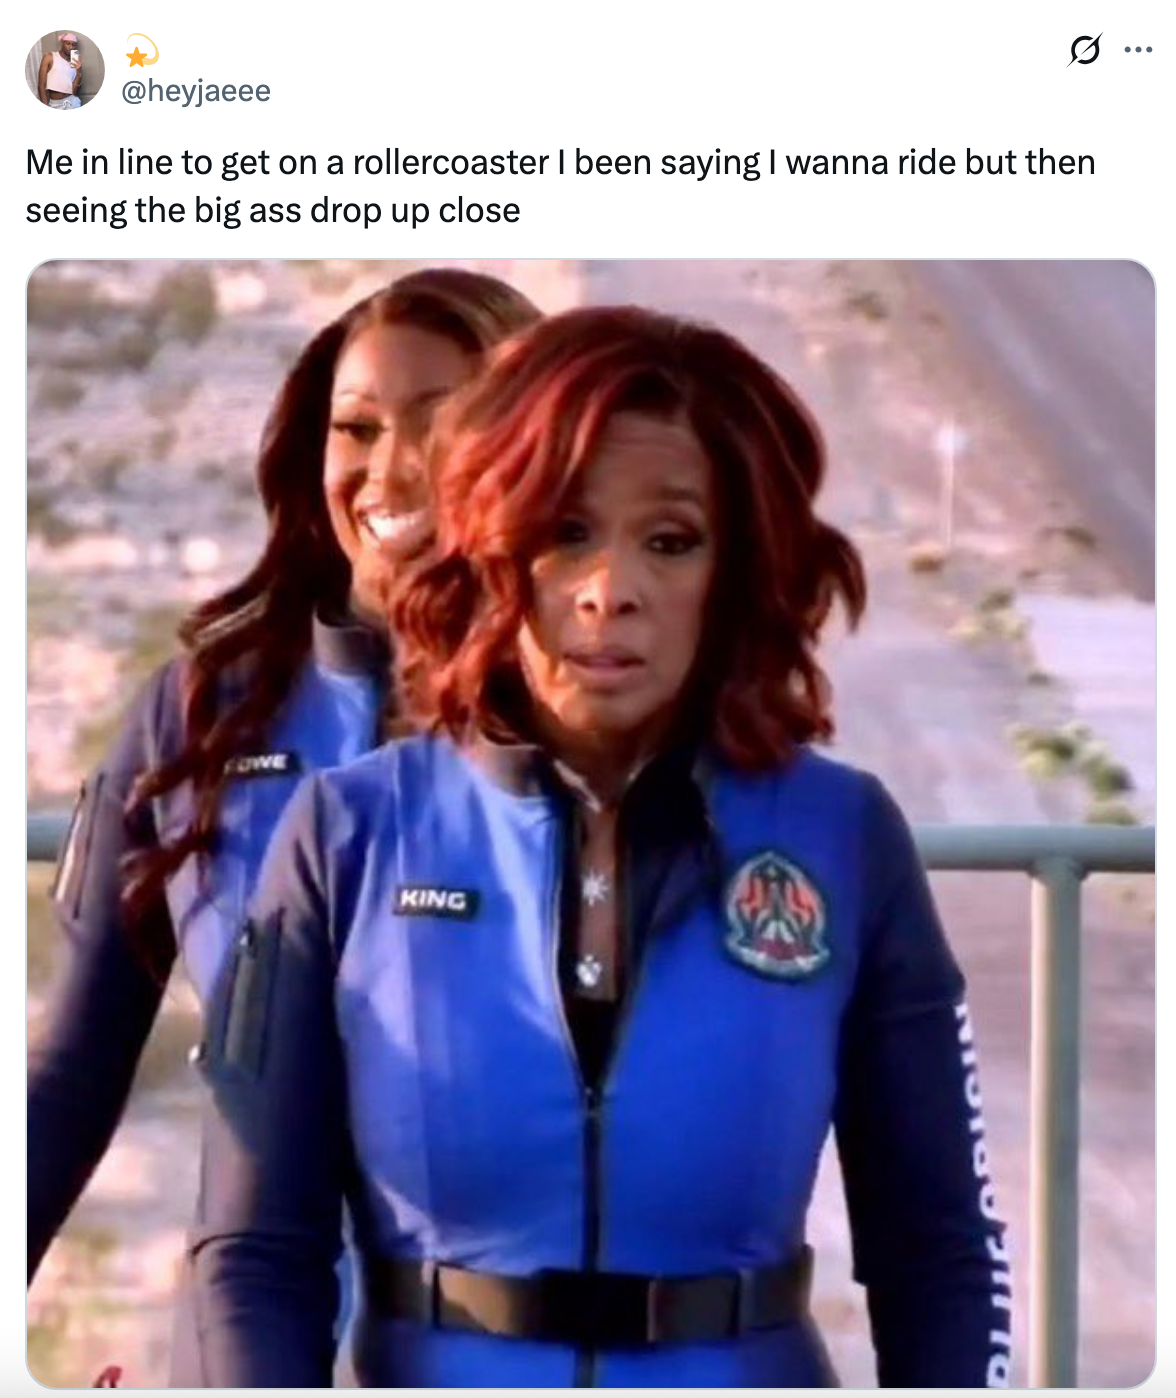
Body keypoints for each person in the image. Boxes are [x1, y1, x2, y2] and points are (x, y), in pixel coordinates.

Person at [190, 305, 1012, 1388]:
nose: (608, 589)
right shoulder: (346, 834)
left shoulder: (843, 836)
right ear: (490, 549)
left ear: (738, 568)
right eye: (567, 531)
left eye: (669, 541)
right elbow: (252, 1255)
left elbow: (942, 1256)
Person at [27, 268, 541, 1302]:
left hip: (516, 1342)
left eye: (441, 422)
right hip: (245, 1326)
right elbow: (71, 1079)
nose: (389, 469)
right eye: (357, 430)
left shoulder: (596, 719)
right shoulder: (201, 715)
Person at [38, 33, 82, 108]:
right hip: (55, 104)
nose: (71, 47)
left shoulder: (76, 63)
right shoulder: (49, 57)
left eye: (73, 44)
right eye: (67, 43)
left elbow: (75, 92)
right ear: (62, 42)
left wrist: (79, 71)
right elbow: (41, 85)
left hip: (73, 102)